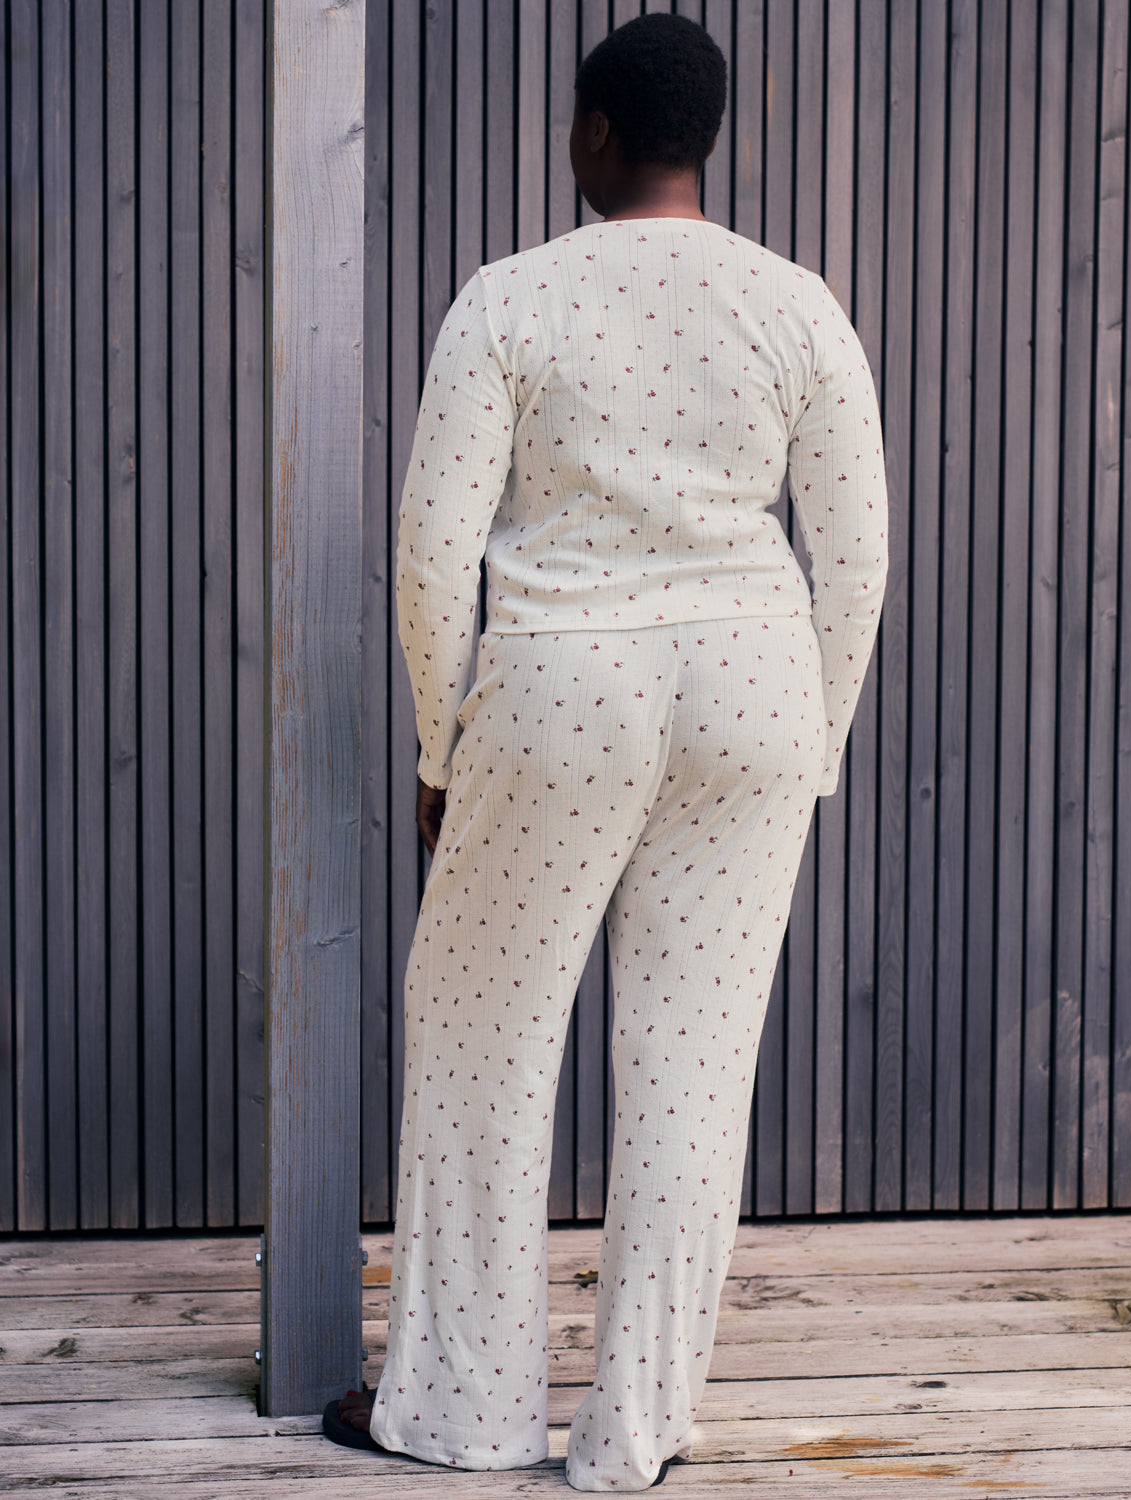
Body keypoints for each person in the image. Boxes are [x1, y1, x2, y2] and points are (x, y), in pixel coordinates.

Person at [323, 12, 887, 1491]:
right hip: (750, 688)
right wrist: (809, 741)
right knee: (696, 1063)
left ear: (593, 133)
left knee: (479, 1044)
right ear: (703, 139)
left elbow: (433, 557)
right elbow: (859, 554)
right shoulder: (796, 303)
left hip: (564, 686)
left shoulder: (512, 299)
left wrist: (444, 744)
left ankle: (459, 1414)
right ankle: (632, 1434)